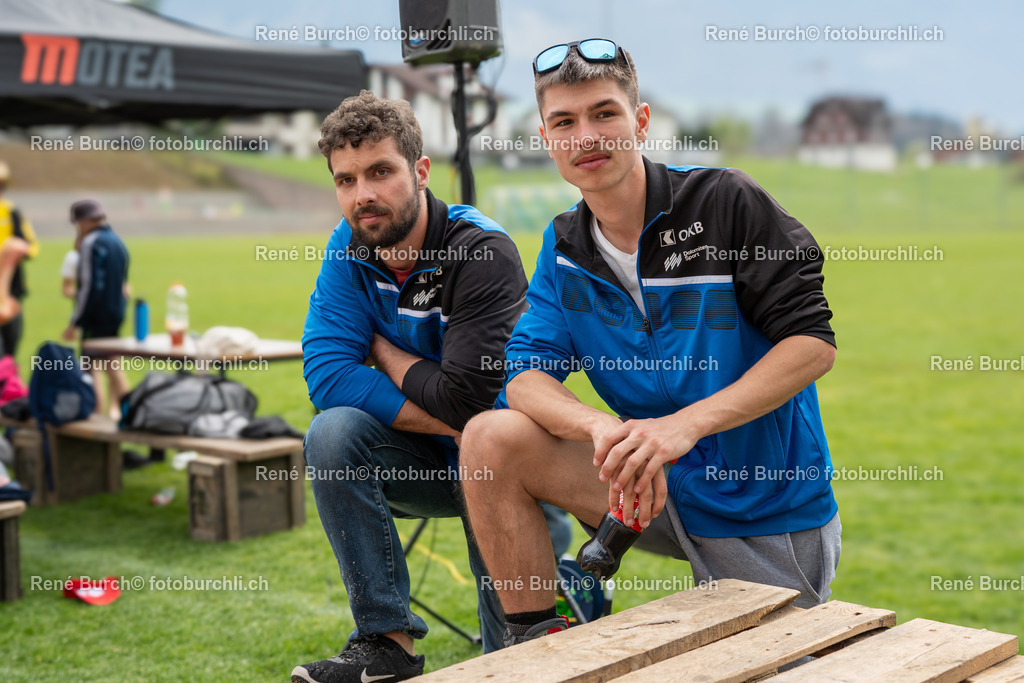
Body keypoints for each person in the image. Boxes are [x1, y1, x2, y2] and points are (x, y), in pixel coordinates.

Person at [459, 39, 842, 647]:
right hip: (648, 487)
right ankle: (535, 645)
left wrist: (682, 426)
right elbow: (524, 375)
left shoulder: (724, 202)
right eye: (565, 121)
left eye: (603, 114)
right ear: (547, 138)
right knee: (490, 438)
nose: (586, 136)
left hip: (761, 494)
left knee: (778, 661)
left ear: (639, 121)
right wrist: (600, 429)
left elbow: (812, 344)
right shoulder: (563, 248)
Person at [295, 90, 535, 683]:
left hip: (511, 461)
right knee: (333, 433)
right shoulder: (348, 246)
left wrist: (382, 352)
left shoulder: (480, 250)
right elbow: (327, 376)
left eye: (380, 172)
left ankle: (510, 655)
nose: (363, 196)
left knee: (514, 655)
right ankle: (386, 643)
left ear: (421, 171)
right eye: (345, 180)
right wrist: (454, 422)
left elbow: (473, 401)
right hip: (429, 457)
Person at [62, 199, 130, 420]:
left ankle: (95, 416)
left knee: (93, 369)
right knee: (112, 364)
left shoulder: (91, 242)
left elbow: (88, 286)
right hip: (115, 313)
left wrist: (76, 320)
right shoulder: (118, 241)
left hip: (95, 316)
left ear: (83, 222)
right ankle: (128, 412)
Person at [0, 161, 40, 358]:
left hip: (11, 289)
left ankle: (8, 386)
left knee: (10, 346)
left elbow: (31, 246)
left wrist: (15, 252)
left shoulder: (11, 211)